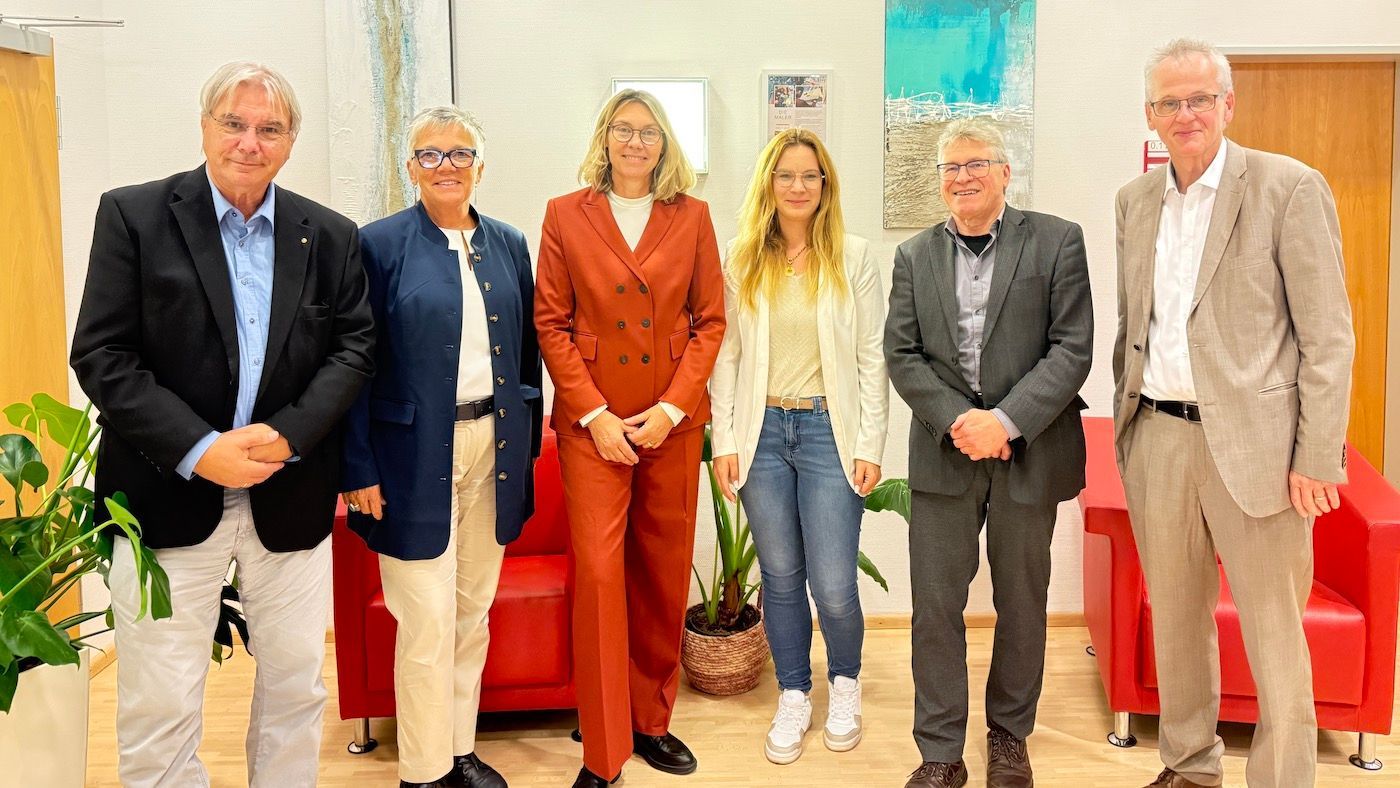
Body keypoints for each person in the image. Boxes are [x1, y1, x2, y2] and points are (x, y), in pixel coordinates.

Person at [69, 61, 374, 786]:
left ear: (291, 141)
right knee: (161, 700)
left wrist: (288, 436)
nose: (249, 142)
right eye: (234, 124)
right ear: (205, 127)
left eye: (269, 129)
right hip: (165, 494)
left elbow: (354, 348)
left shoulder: (330, 235)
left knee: (296, 690)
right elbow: (103, 355)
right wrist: (200, 448)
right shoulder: (134, 216)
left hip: (289, 498)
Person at [1114, 39, 1354, 788]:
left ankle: (1282, 779)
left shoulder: (1289, 187)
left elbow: (1328, 337)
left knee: (1275, 634)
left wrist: (1317, 456)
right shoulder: (1135, 201)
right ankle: (1189, 766)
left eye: (1199, 99)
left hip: (1259, 453)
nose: (1184, 114)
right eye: (1169, 102)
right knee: (1177, 620)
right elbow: (1136, 324)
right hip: (1158, 438)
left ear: (1227, 105)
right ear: (1150, 114)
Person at [885, 116, 1093, 788]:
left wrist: (1005, 422)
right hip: (944, 456)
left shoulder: (1057, 240)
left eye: (977, 164)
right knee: (935, 607)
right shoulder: (913, 256)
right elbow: (902, 354)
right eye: (952, 167)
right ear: (940, 181)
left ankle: (1009, 737)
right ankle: (941, 753)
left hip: (1030, 452)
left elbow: (1072, 348)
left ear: (1005, 173)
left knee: (1023, 602)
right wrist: (961, 422)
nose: (964, 177)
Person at [340, 105, 541, 788]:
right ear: (411, 168)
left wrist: (525, 449)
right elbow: (354, 364)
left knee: (471, 613)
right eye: (430, 154)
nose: (445, 166)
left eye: (460, 154)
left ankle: (458, 751)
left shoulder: (508, 243)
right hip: (409, 458)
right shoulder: (378, 244)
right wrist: (357, 466)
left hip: (495, 448)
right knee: (425, 620)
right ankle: (423, 773)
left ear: (481, 165)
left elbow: (527, 356)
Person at [534, 88, 725, 788]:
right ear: (605, 138)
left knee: (662, 573)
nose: (635, 142)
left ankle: (651, 720)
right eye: (623, 129)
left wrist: (673, 409)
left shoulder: (693, 216)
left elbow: (710, 322)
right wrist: (594, 415)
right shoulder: (565, 214)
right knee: (599, 575)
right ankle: (604, 746)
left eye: (648, 131)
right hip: (595, 430)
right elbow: (550, 322)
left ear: (665, 143)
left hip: (671, 426)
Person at [709, 128, 888, 765]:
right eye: (785, 174)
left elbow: (871, 358)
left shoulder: (853, 256)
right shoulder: (742, 259)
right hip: (761, 434)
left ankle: (844, 683)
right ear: (769, 183)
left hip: (827, 433)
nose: (797, 186)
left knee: (834, 582)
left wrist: (870, 442)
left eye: (810, 175)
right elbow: (726, 356)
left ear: (825, 185)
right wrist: (725, 438)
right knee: (781, 577)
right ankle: (793, 691)